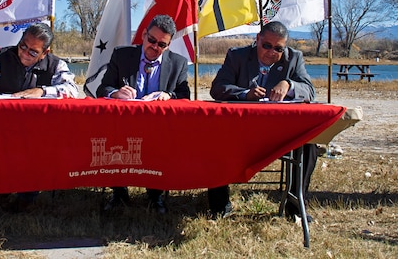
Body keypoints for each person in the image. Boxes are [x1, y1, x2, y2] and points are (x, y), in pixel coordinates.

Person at [209, 20, 316, 221]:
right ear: (257, 40)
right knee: (215, 137)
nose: (271, 52)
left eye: (278, 48)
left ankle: (295, 207)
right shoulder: (237, 56)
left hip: (279, 134)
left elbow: (310, 91)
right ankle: (219, 205)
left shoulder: (294, 59)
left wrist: (289, 85)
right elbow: (217, 88)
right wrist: (244, 94)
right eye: (266, 45)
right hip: (240, 131)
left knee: (309, 144)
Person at [0, 22, 78, 211]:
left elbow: (72, 89)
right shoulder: (3, 57)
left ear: (44, 53)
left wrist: (42, 91)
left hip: (38, 130)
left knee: (37, 150)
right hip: (4, 126)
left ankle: (27, 196)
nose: (24, 53)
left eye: (33, 52)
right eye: (23, 46)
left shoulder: (55, 64)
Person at [97, 14, 190, 214]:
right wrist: (116, 93)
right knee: (112, 141)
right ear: (144, 35)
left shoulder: (179, 63)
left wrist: (168, 95)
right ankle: (119, 193)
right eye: (152, 40)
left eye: (162, 45)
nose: (155, 47)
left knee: (163, 144)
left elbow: (184, 96)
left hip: (159, 127)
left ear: (169, 45)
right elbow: (102, 89)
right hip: (123, 124)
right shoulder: (122, 55)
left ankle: (155, 195)